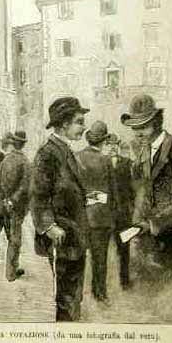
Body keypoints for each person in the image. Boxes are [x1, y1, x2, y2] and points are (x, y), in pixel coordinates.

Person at [120, 94, 172, 279]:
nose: (138, 133)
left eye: (143, 127)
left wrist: (154, 224)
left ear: (157, 123)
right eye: (134, 128)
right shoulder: (141, 152)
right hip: (146, 247)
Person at [30, 96, 90, 322]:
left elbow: (65, 188)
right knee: (66, 296)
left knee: (73, 294)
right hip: (62, 237)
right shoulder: (48, 153)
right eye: (79, 121)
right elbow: (38, 196)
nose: (83, 127)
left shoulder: (64, 150)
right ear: (64, 124)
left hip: (73, 234)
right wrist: (49, 226)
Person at [76, 121, 115, 305]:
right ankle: (100, 294)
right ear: (103, 142)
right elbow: (113, 192)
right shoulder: (106, 160)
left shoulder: (76, 157)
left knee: (78, 257)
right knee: (100, 259)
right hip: (101, 219)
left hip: (81, 217)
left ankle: (76, 295)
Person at [0, 131, 31, 282]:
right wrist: (12, 200)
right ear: (23, 144)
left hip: (4, 206)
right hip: (16, 207)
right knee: (15, 239)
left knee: (11, 237)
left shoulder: (5, 160)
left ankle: (13, 267)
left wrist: (2, 199)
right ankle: (11, 272)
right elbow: (25, 186)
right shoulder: (25, 162)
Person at [106, 134, 133, 290]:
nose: (113, 147)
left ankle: (125, 280)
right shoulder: (102, 163)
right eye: (109, 144)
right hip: (106, 213)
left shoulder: (127, 163)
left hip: (123, 213)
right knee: (102, 248)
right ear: (105, 146)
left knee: (124, 247)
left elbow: (133, 188)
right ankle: (104, 283)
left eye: (115, 144)